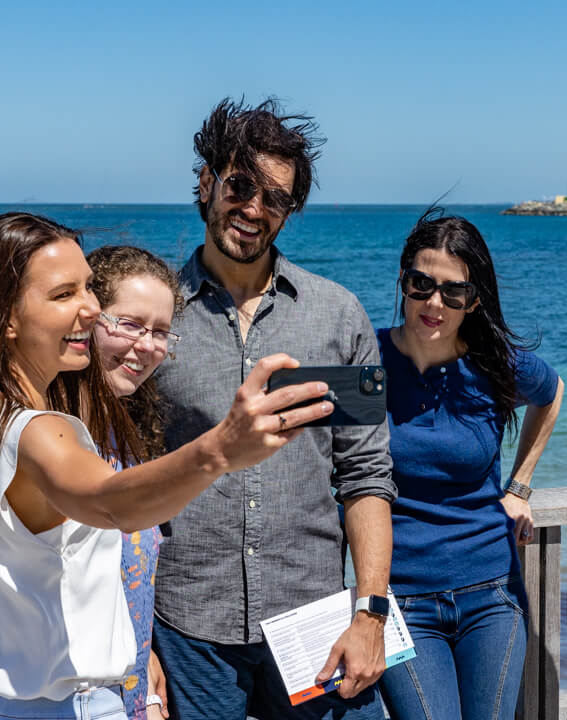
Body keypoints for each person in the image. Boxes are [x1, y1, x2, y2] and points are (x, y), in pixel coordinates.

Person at [0, 211, 332, 720]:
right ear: (9, 317)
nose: (90, 310)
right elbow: (111, 503)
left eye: (88, 288)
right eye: (64, 295)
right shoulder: (41, 430)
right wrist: (221, 449)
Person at [151, 98, 396, 720]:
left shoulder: (338, 316)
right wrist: (135, 641)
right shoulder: (157, 320)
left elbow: (365, 476)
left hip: (312, 619)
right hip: (187, 627)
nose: (254, 209)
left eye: (276, 199)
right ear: (206, 182)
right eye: (240, 184)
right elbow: (124, 479)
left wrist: (370, 614)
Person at [376, 209, 563, 720]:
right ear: (403, 280)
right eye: (421, 283)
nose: (434, 303)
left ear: (473, 300)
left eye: (453, 292)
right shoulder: (367, 363)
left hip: (492, 593)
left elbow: (552, 393)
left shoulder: (494, 363)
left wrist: (519, 486)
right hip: (400, 600)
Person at [87, 245, 185, 720]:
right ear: (87, 319)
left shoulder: (126, 432)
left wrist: (142, 652)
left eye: (161, 332)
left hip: (125, 690)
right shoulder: (48, 434)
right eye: (129, 324)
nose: (147, 346)